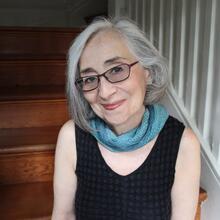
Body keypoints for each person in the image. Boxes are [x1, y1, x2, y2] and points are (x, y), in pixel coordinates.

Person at [52, 17, 200, 220]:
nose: (104, 92)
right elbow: (64, 215)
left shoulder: (183, 143)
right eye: (90, 79)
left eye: (117, 69)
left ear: (147, 72)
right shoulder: (72, 137)